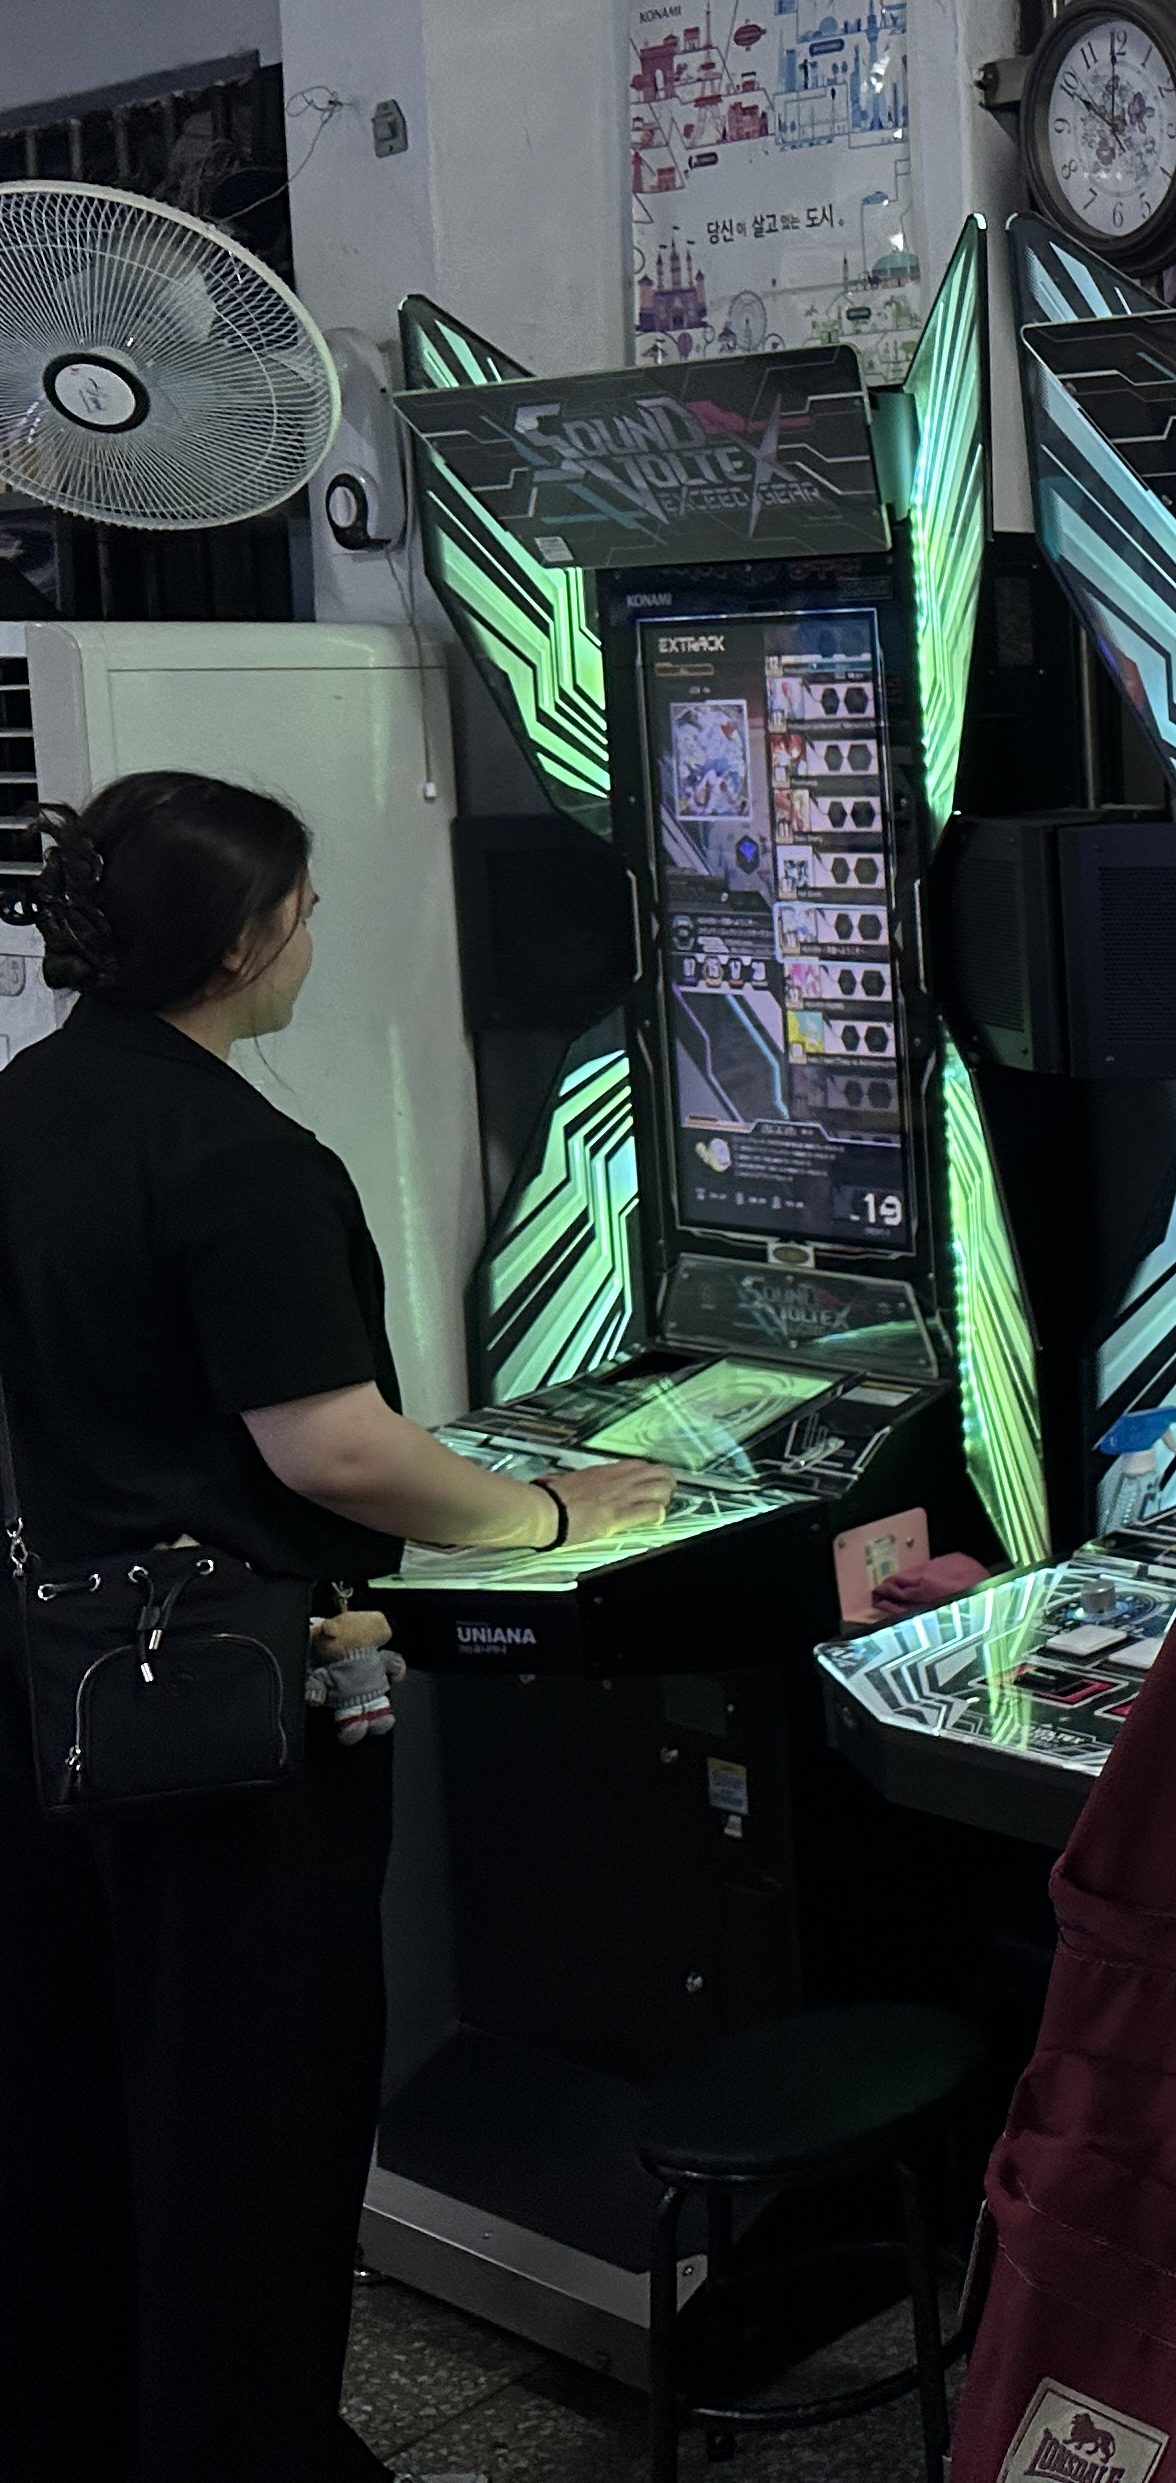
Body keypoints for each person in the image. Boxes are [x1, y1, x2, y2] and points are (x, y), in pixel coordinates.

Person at [0, 772, 673, 2483]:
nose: (312, 937)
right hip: (236, 1714)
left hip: (65, 1690)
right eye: (300, 911)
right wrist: (547, 1509)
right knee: (257, 2120)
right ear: (240, 943)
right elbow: (334, 1449)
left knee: (98, 2104)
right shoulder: (240, 1158)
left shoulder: (30, 1099)